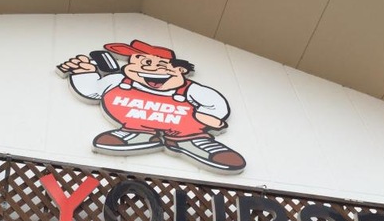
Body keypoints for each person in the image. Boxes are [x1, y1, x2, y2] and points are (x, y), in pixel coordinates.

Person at [57, 40, 246, 173]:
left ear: (180, 70)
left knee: (193, 140)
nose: (149, 69)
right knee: (130, 133)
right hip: (134, 126)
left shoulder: (190, 89)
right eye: (142, 63)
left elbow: (213, 103)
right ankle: (135, 136)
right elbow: (92, 91)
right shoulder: (117, 79)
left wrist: (209, 116)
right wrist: (84, 72)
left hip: (187, 131)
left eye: (158, 65)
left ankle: (201, 146)